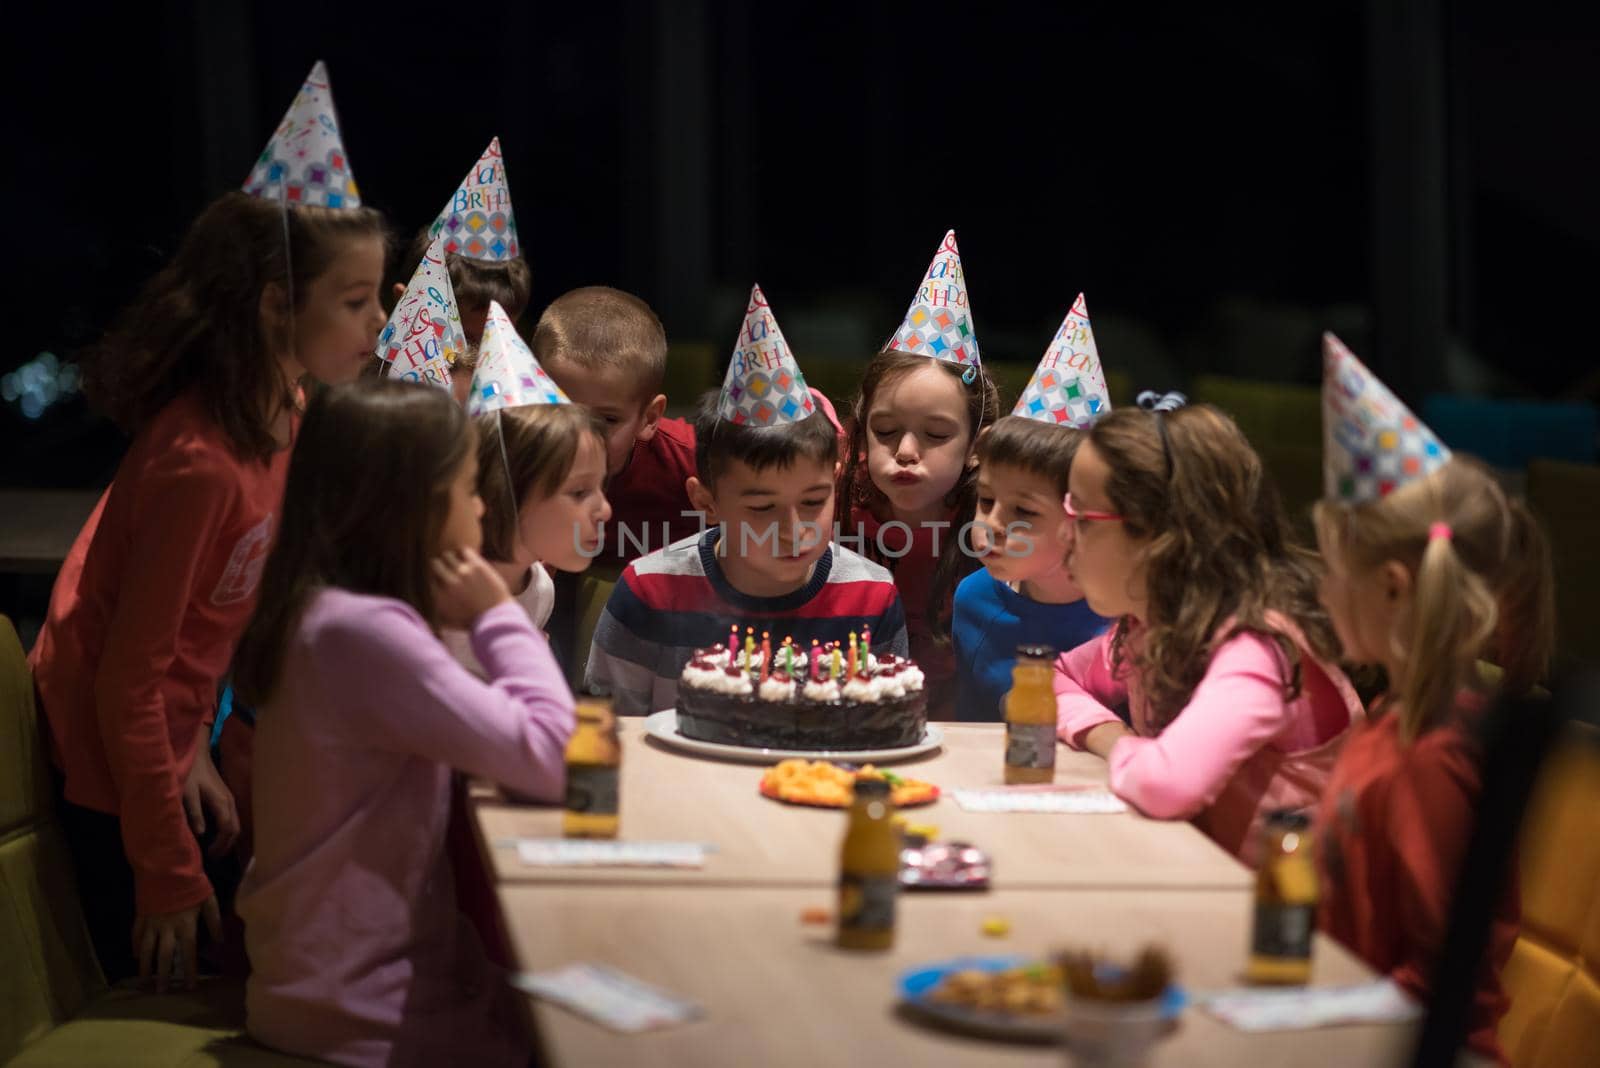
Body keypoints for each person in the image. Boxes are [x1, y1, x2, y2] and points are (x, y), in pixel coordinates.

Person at [28, 61, 386, 987]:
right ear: (276, 305)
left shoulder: (289, 412)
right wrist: (164, 870)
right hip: (113, 768)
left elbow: (219, 625)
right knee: (189, 974)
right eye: (355, 301)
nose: (377, 323)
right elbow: (126, 679)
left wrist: (194, 743)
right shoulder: (199, 459)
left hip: (164, 745)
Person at [232, 380, 573, 1068]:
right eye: (470, 486)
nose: (481, 505)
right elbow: (554, 752)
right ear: (415, 504)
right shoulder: (364, 633)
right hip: (357, 1008)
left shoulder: (328, 611)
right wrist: (496, 613)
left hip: (329, 981)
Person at [1312, 335, 1553, 1066]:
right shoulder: (1391, 720)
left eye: (1330, 570)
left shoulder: (1433, 757)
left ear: (1390, 586)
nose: (1321, 591)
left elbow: (1442, 982)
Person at [1054, 400, 1361, 865]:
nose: (1063, 536)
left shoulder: (1258, 647)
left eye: (1082, 518)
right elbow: (1051, 677)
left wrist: (1123, 746)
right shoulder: (1152, 627)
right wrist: (1112, 734)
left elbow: (1166, 785)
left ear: (1159, 538)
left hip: (1296, 922)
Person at [587, 286, 907, 715]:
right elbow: (608, 731)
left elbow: (885, 726)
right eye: (762, 508)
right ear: (706, 502)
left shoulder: (870, 596)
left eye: (813, 502)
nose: (793, 529)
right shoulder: (650, 592)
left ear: (834, 483)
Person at [839, 232, 999, 719]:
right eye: (885, 430)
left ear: (975, 447)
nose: (906, 452)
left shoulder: (994, 531)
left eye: (935, 434)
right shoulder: (832, 510)